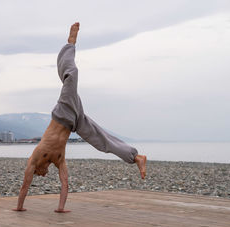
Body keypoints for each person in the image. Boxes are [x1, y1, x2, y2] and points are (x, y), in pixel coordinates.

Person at [13, 22, 147, 213]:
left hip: (63, 111)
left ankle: (71, 42)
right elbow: (65, 182)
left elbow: (24, 186)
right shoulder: (58, 159)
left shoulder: (34, 159)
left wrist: (19, 207)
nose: (43, 175)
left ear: (36, 170)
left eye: (40, 174)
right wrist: (60, 208)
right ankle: (136, 157)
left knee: (72, 74)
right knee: (102, 142)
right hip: (76, 121)